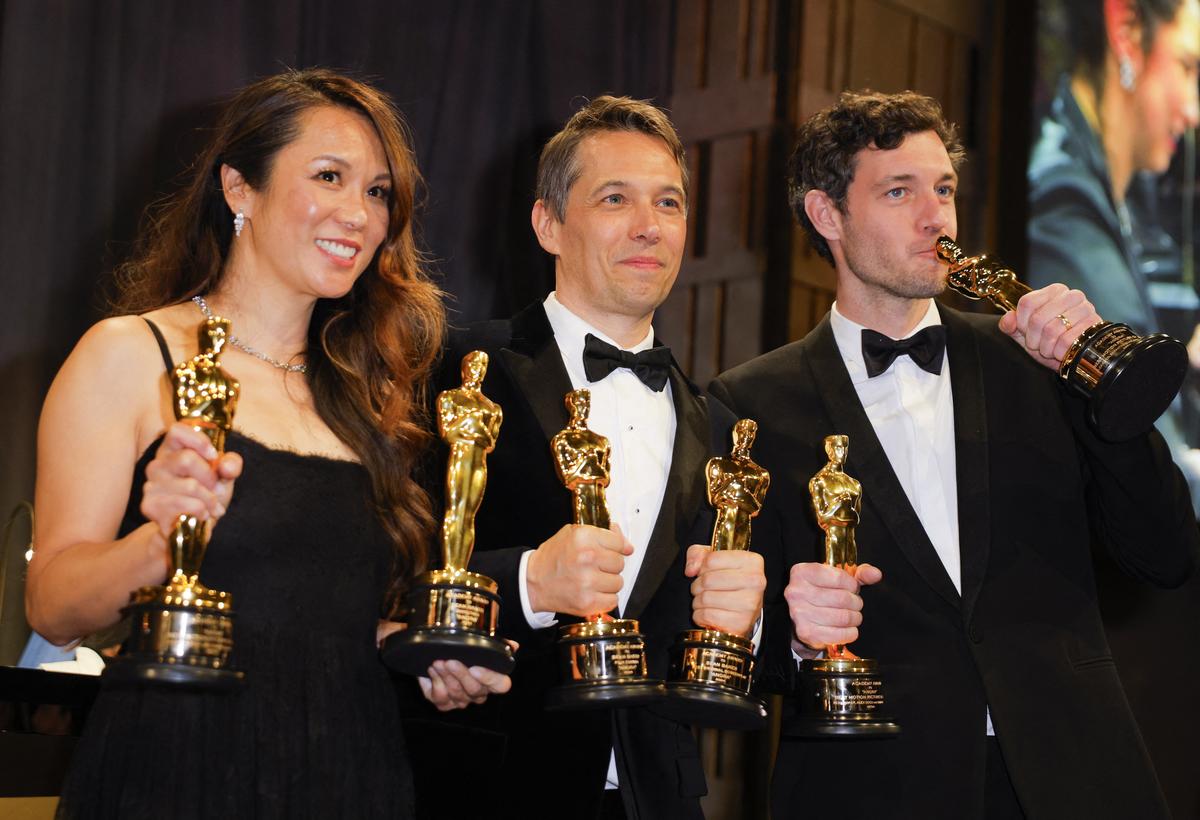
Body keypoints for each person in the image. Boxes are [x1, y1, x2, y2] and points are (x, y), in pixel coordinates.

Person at [25, 68, 509, 819]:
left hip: (351, 771)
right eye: (329, 177)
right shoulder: (131, 353)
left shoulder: (365, 392)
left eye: (377, 192)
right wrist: (161, 544)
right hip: (178, 770)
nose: (359, 214)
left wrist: (420, 652)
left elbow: (313, 617)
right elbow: (53, 605)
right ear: (238, 189)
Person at [710, 90, 1198, 819]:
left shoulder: (1035, 364)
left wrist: (1107, 398)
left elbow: (1165, 555)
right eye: (899, 192)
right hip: (874, 786)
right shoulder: (750, 402)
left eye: (943, 189)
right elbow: (748, 638)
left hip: (1075, 773)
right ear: (826, 214)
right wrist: (798, 635)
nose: (936, 216)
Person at [404, 95, 769, 820]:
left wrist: (743, 621)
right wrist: (529, 583)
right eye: (614, 199)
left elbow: (714, 643)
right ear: (548, 223)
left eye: (668, 203)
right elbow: (380, 570)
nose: (648, 226)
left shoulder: (722, 429)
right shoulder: (454, 371)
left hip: (658, 797)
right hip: (487, 784)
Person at [1028, 0, 1200, 485]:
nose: (1192, 110)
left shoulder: (1124, 194)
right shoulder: (1066, 219)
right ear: (1126, 32)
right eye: (1186, 67)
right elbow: (1152, 470)